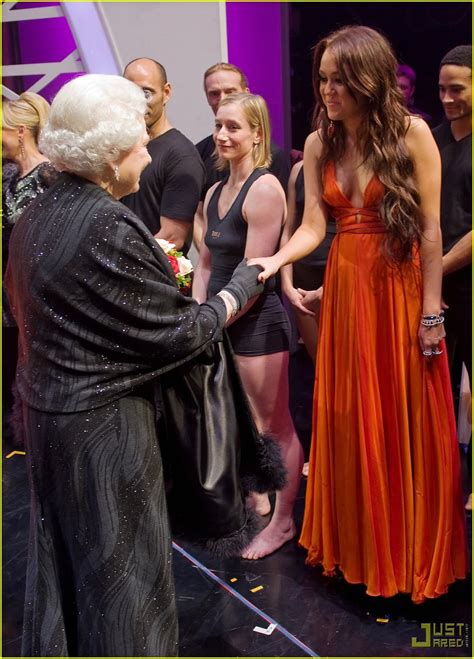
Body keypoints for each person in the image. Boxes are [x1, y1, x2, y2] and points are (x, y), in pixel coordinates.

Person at [5, 74, 266, 657]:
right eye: (136, 144)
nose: (147, 154)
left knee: (69, 566)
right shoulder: (106, 222)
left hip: (49, 418)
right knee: (126, 577)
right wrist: (236, 290)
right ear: (106, 154)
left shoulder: (39, 207)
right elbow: (178, 334)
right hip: (102, 431)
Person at [249, 26, 467, 601]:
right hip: (346, 289)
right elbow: (315, 226)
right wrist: (275, 261)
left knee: (400, 418)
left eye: (338, 80)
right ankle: (356, 546)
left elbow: (429, 230)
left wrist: (429, 313)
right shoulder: (321, 143)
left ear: (368, 80)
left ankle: (405, 551)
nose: (327, 91)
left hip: (397, 293)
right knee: (349, 417)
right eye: (321, 79)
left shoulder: (412, 133)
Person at [193, 93, 303, 560]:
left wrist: (212, 319)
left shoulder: (264, 189)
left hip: (256, 324)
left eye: (233, 127)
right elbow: (205, 263)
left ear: (257, 134)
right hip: (219, 322)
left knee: (273, 426)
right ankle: (257, 497)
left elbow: (255, 274)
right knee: (238, 421)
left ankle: (283, 522)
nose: (222, 135)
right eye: (219, 125)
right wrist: (198, 317)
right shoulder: (216, 191)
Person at [2, 92, 59, 443]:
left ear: (21, 131)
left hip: (37, 292)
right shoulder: (7, 175)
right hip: (8, 290)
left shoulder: (50, 176)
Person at [433, 45, 472, 510]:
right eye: (441, 88)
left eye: (457, 88)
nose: (446, 97)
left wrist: (434, 271)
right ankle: (443, 483)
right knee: (437, 394)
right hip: (435, 294)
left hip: (464, 286)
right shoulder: (434, 140)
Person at [193, 63, 291, 248]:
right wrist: (211, 257)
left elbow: (285, 225)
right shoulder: (198, 154)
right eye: (214, 93)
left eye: (230, 91)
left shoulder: (275, 157)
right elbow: (198, 214)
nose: (222, 99)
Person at [122, 58, 204, 251]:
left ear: (166, 93)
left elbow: (171, 239)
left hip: (151, 276)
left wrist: (121, 262)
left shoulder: (181, 156)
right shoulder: (123, 148)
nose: (138, 102)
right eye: (129, 93)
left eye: (146, 92)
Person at [280, 159, 336, 363]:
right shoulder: (299, 169)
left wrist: (327, 288)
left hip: (339, 279)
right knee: (319, 364)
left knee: (345, 365)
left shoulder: (353, 166)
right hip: (302, 284)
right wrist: (287, 285)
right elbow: (289, 229)